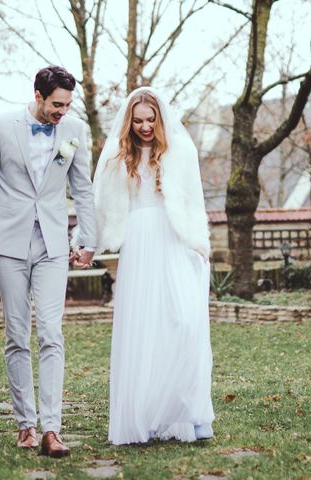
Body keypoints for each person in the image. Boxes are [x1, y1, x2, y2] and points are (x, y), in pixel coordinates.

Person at [0, 66, 96, 458]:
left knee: (51, 333)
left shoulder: (74, 131)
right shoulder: (1, 125)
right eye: (57, 104)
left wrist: (87, 239)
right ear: (38, 95)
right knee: (17, 335)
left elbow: (83, 190)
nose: (63, 112)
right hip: (7, 244)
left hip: (54, 244)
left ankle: (52, 429)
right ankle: (26, 425)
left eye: (68, 105)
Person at [84, 86, 215, 444]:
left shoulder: (180, 150)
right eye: (138, 120)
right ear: (129, 121)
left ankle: (183, 412)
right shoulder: (115, 154)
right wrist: (87, 244)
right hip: (139, 242)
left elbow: (193, 202)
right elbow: (100, 205)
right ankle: (142, 416)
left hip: (173, 238)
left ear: (160, 118)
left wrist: (198, 243)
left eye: (150, 119)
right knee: (143, 328)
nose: (144, 126)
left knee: (183, 322)